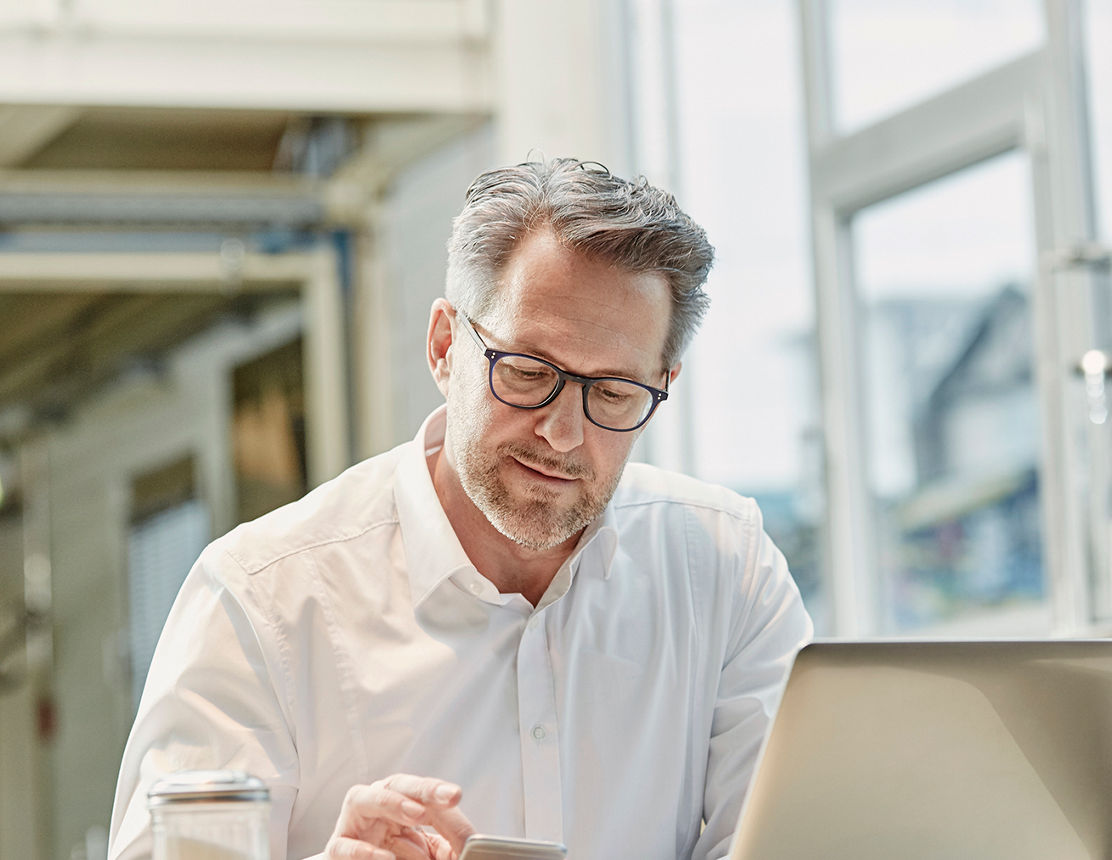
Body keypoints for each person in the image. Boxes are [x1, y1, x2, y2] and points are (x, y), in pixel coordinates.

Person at [108, 158, 812, 860]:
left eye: (614, 394)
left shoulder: (726, 571)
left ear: (663, 385)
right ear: (446, 347)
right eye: (529, 373)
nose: (563, 433)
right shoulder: (262, 601)